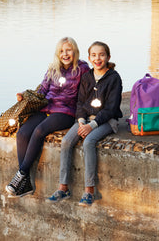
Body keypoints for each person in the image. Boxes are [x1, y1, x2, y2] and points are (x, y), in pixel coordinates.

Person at [5, 37, 90, 198]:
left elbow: (85, 94)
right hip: (47, 108)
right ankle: (26, 183)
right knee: (22, 133)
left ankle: (21, 174)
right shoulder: (53, 69)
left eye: (68, 50)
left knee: (39, 131)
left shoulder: (82, 69)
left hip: (66, 111)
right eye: (61, 51)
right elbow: (42, 91)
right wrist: (24, 95)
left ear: (75, 51)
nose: (65, 54)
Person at [47, 41, 122, 206]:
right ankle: (63, 188)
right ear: (89, 58)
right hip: (85, 120)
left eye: (101, 55)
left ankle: (89, 191)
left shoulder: (113, 78)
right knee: (66, 141)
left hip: (106, 121)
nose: (98, 58)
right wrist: (81, 122)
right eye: (94, 55)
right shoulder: (87, 76)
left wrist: (91, 126)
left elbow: (111, 108)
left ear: (108, 57)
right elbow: (80, 103)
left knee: (88, 142)